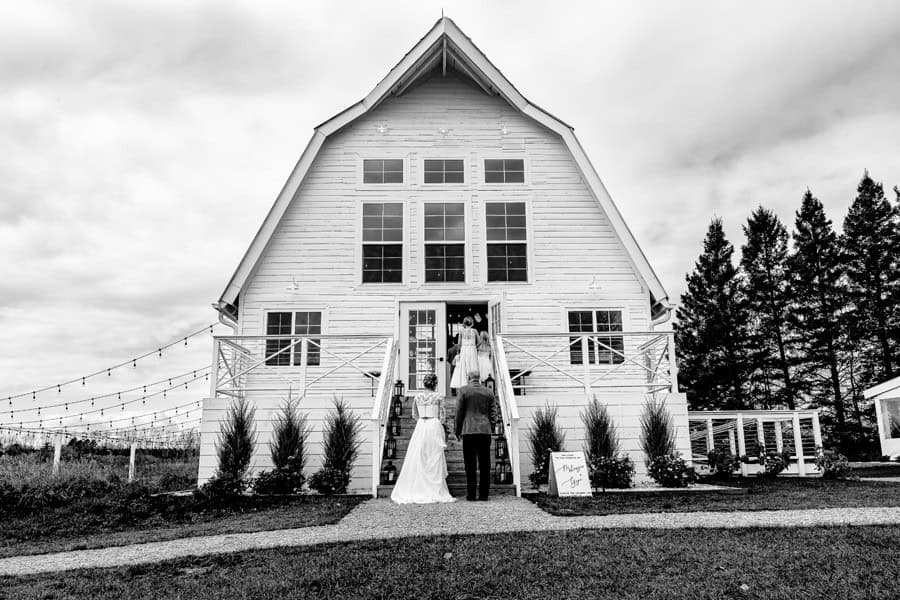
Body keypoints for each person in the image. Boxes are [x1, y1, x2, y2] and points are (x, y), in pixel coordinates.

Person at [391, 373, 455, 504]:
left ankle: (418, 486)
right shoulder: (438, 397)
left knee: (419, 454)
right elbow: (443, 415)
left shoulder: (417, 397)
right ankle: (433, 487)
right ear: (435, 384)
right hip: (434, 424)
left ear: (424, 384)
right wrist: (440, 424)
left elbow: (414, 414)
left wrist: (421, 421)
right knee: (433, 455)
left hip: (421, 425)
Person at [454, 370, 496, 501]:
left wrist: (457, 430)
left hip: (469, 430)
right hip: (484, 430)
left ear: (469, 378)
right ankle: (484, 495)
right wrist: (491, 427)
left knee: (470, 464)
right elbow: (493, 413)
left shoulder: (463, 391)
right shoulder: (488, 392)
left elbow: (459, 412)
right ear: (480, 379)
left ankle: (471, 494)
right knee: (485, 464)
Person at [450, 317, 479, 391]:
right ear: (472, 323)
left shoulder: (461, 331)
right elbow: (479, 342)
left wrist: (458, 353)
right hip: (472, 349)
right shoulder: (475, 331)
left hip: (464, 349)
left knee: (463, 367)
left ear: (464, 323)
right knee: (473, 366)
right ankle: (473, 385)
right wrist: (474, 347)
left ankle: (464, 385)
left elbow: (459, 344)